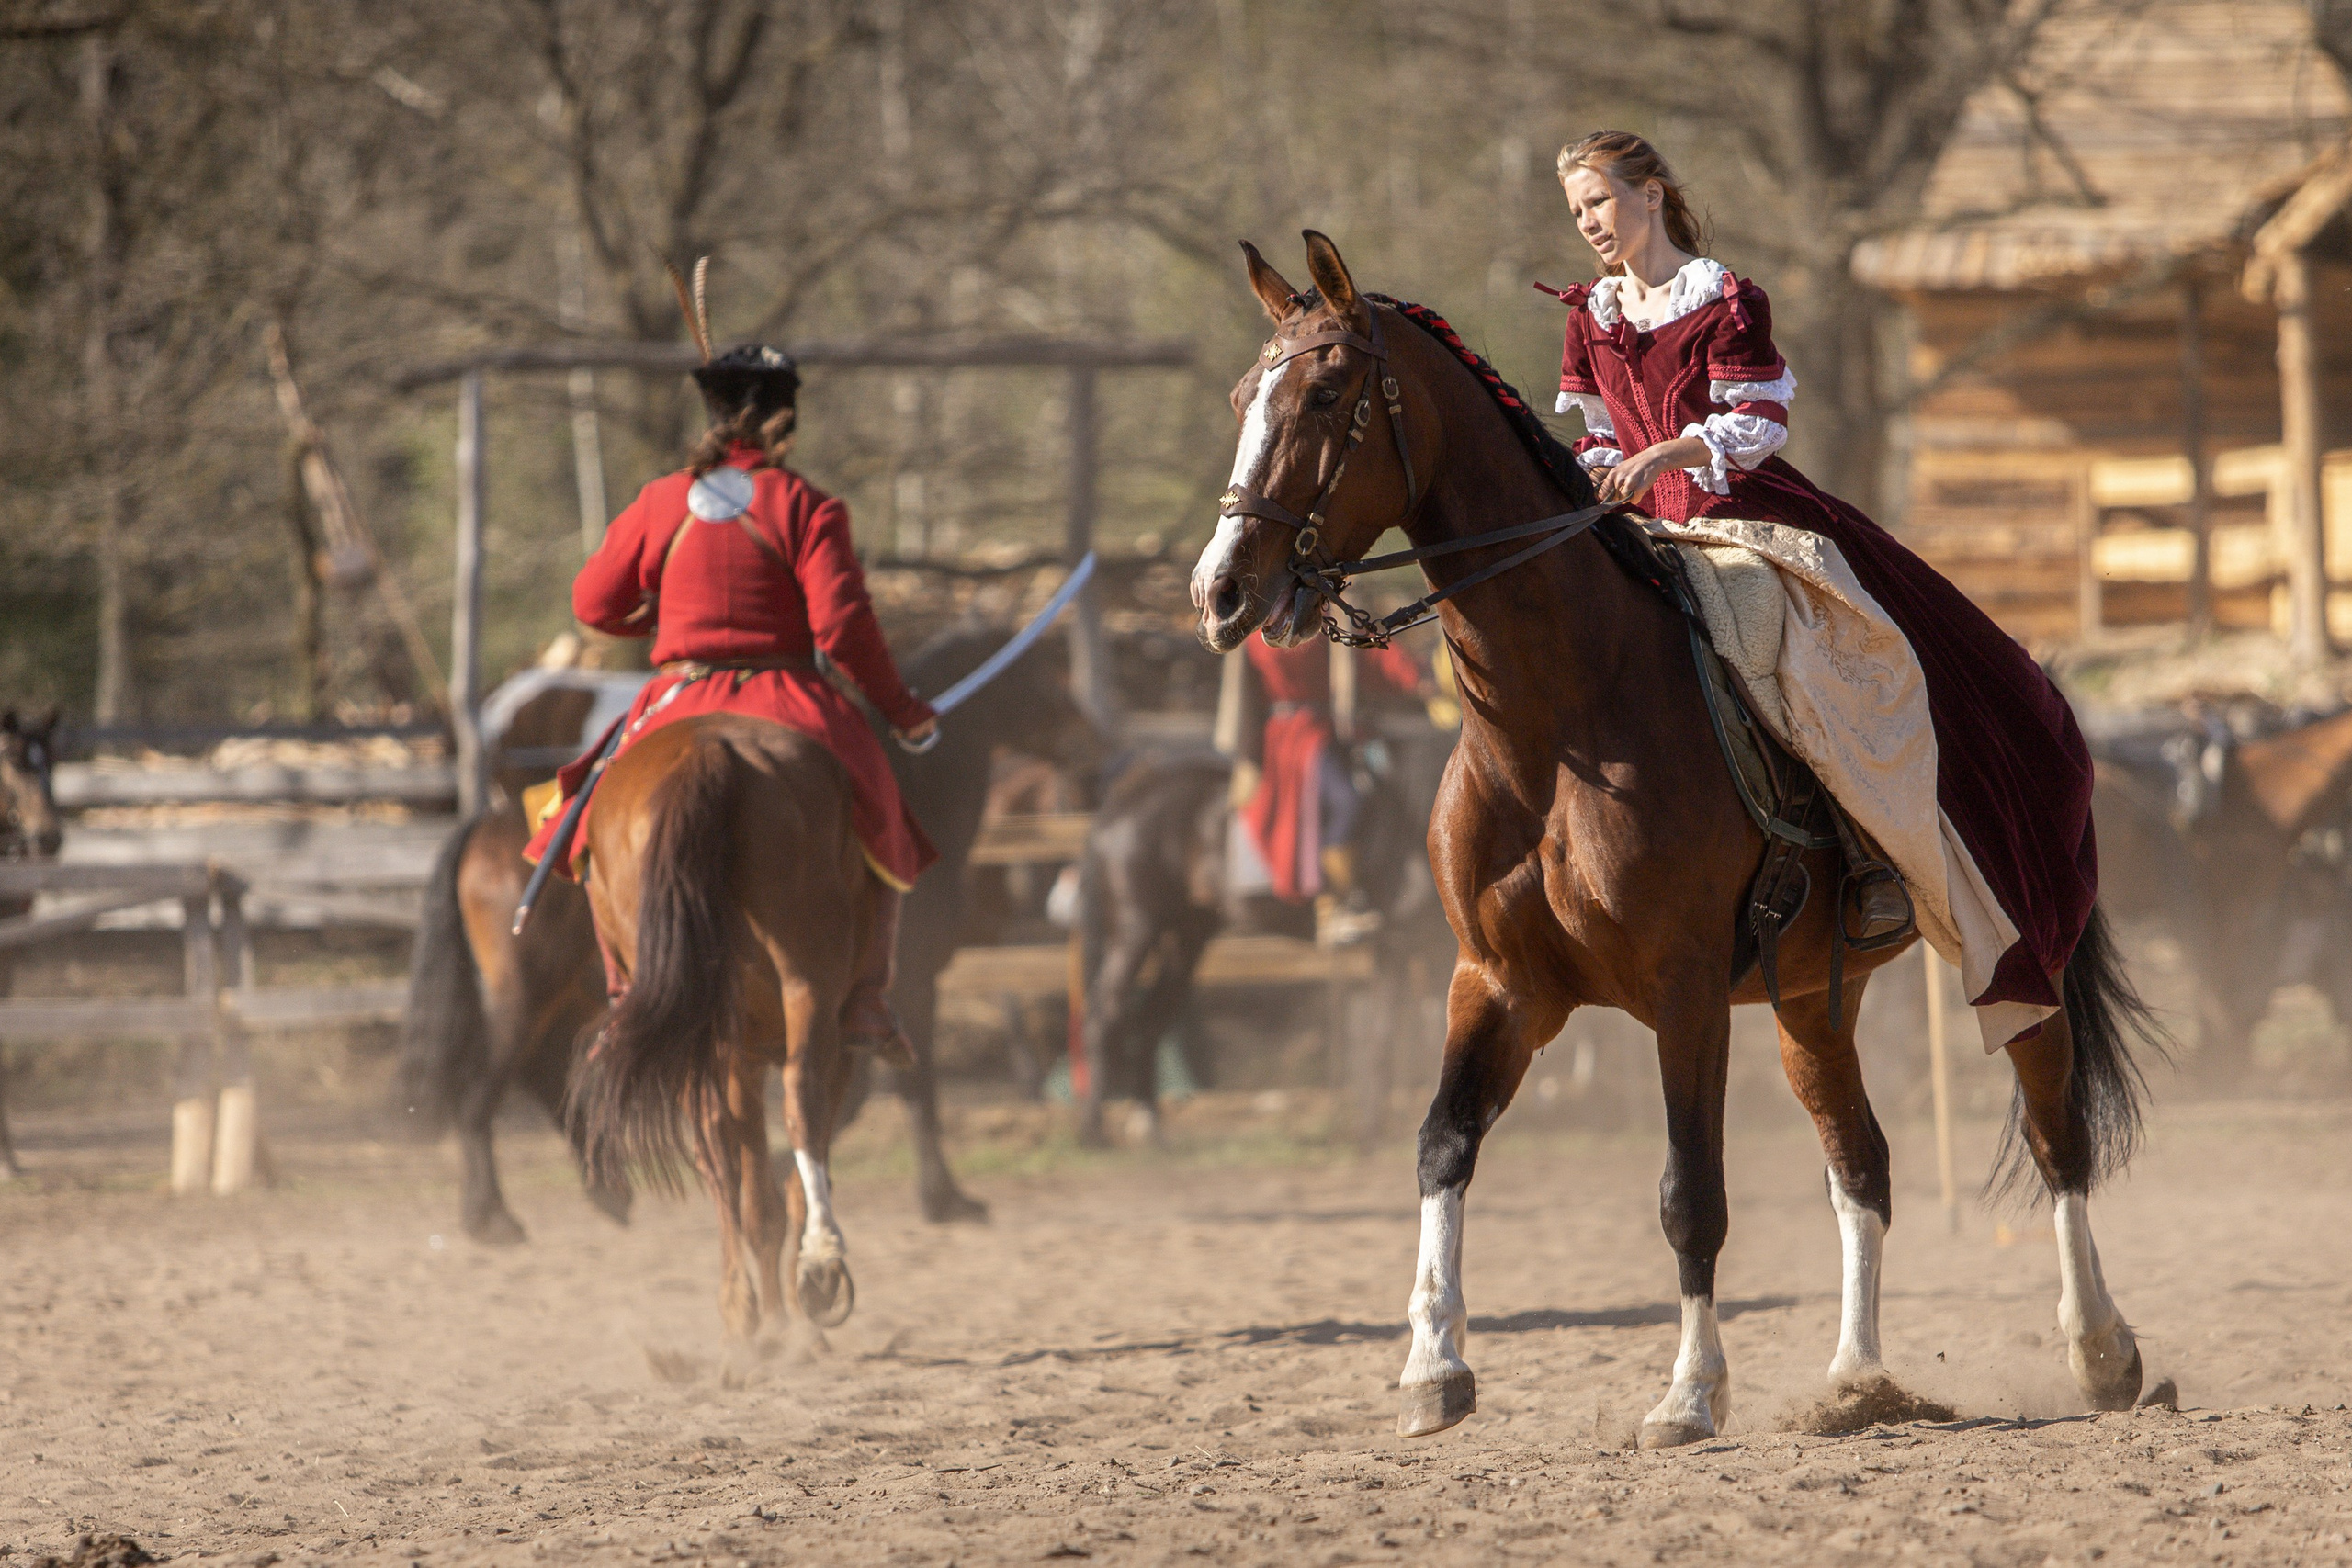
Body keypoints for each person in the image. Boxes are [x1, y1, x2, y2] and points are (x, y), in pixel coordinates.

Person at [1546, 130, 2098, 1021]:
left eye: (1599, 202)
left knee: (1810, 659)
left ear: (1651, 194)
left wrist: (1666, 454)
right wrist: (1609, 468)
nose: (1588, 225)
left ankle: (1866, 860)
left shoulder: (1725, 297)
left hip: (1744, 515)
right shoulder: (1591, 315)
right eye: (1577, 212)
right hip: (1645, 527)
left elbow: (1757, 422)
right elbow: (1599, 435)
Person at [523, 343, 938, 1057]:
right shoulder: (807, 503)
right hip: (789, 694)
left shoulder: (658, 500)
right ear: (785, 418)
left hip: (675, 695)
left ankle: (625, 993)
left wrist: (659, 624)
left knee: (590, 816)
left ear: (711, 412)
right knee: (883, 809)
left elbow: (593, 602)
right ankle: (868, 996)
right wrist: (903, 713)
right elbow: (840, 628)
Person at [1232, 636, 1422, 942]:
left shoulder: (1329, 620)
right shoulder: (1269, 629)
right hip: (1295, 738)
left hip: (1332, 731)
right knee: (1347, 801)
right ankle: (1338, 902)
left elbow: (1371, 656)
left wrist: (1416, 675)